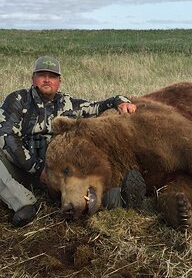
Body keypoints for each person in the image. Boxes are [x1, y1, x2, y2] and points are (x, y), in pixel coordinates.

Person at [0, 56, 146, 227]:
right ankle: (24, 204)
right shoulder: (17, 100)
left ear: (59, 81)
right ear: (33, 78)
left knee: (86, 165)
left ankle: (115, 198)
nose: (47, 79)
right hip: (21, 168)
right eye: (42, 75)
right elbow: (6, 136)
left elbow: (99, 106)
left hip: (59, 173)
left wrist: (120, 100)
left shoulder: (68, 103)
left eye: (52, 76)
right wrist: (38, 167)